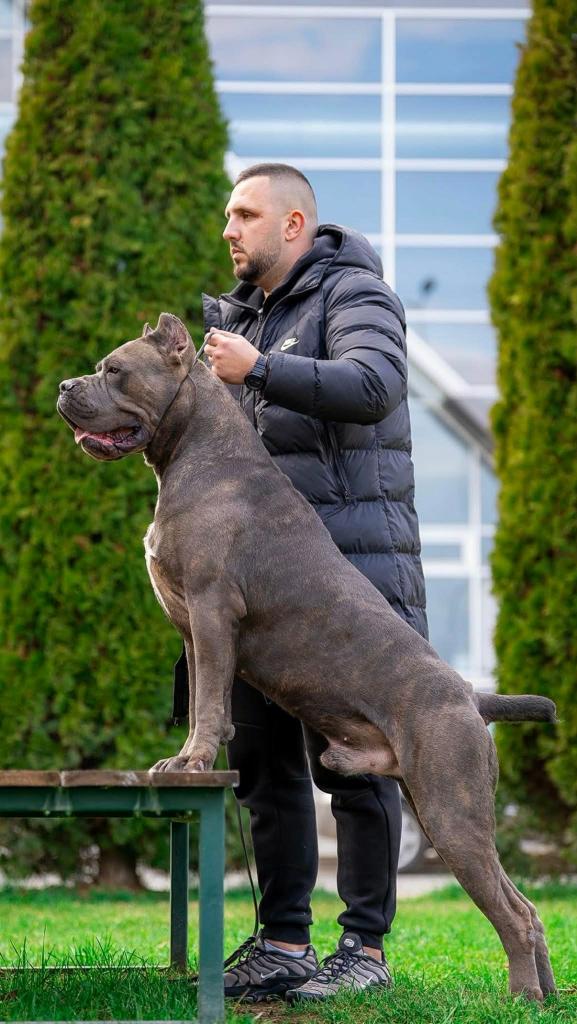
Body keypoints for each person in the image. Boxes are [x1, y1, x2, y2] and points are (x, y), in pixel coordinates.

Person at [202, 162, 428, 1003]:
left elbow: (374, 388)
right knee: (264, 765)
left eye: (244, 214)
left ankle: (363, 952)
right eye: (227, 214)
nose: (228, 228)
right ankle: (283, 941)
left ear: (293, 224)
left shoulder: (353, 295)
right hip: (260, 593)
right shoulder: (238, 320)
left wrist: (258, 367)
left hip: (353, 585)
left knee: (357, 767)